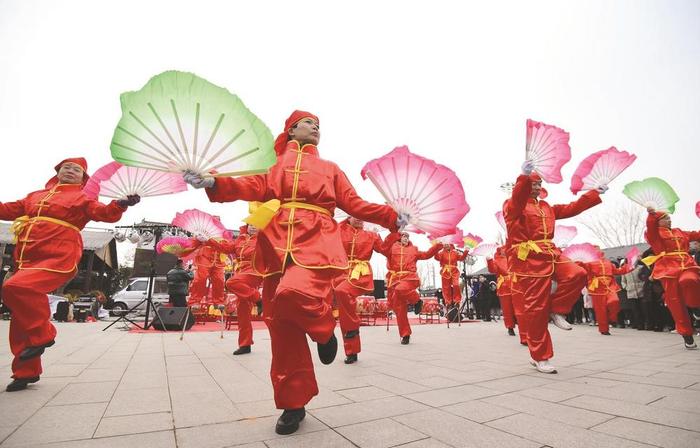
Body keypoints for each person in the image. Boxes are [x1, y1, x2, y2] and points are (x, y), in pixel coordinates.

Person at [183, 110, 402, 435]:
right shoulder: (274, 167)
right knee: (280, 327)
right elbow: (251, 185)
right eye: (308, 123)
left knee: (294, 293)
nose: (315, 128)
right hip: (274, 247)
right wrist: (215, 181)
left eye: (318, 125)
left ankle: (325, 330)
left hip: (316, 240)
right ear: (291, 130)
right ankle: (292, 403)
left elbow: (354, 204)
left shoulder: (330, 169)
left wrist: (391, 216)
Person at [0, 158, 139, 392]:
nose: (71, 171)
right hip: (27, 257)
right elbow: (6, 210)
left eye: (77, 170)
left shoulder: (83, 197)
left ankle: (44, 333)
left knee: (15, 287)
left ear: (84, 177)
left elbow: (105, 213)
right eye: (67, 167)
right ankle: (25, 372)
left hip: (57, 254)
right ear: (57, 171)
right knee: (20, 319)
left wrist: (120, 203)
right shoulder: (34, 196)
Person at [503, 161, 604, 374]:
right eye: (534, 183)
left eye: (539, 183)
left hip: (551, 253)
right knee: (536, 311)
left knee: (578, 273)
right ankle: (540, 356)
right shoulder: (512, 206)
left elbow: (572, 208)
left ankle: (557, 310)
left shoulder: (547, 207)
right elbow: (517, 201)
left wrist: (594, 193)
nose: (538, 187)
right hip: (529, 260)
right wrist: (523, 176)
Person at [643, 209, 700, 349]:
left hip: (686, 265)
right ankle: (687, 336)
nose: (669, 220)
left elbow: (697, 234)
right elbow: (650, 228)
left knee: (690, 280)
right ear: (658, 221)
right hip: (667, 269)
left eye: (669, 218)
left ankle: (695, 308)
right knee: (675, 303)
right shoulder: (654, 234)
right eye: (666, 218)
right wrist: (651, 214)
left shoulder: (679, 231)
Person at [331, 217, 384, 364]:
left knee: (342, 291)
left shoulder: (370, 234)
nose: (359, 219)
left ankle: (352, 326)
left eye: (362, 217)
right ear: (349, 216)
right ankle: (351, 351)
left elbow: (385, 250)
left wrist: (394, 231)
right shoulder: (339, 230)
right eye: (356, 215)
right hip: (341, 272)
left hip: (360, 274)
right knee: (342, 311)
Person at [207, 223, 262, 355]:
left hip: (254, 272)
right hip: (241, 274)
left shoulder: (263, 238)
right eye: (251, 225)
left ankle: (259, 300)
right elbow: (225, 247)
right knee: (242, 311)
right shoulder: (240, 239)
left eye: (257, 224)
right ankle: (245, 344)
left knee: (230, 282)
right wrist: (208, 240)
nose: (253, 227)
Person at [579, 249, 632, 335]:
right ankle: (604, 329)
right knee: (600, 310)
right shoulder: (589, 263)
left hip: (610, 286)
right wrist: (578, 261)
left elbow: (618, 271)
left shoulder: (608, 263)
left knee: (614, 301)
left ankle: (612, 319)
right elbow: (582, 269)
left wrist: (629, 266)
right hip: (597, 287)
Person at [487, 246, 526, 343]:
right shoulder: (496, 261)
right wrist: (489, 260)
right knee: (507, 308)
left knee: (520, 308)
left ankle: (523, 328)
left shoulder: (513, 258)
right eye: (502, 250)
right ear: (500, 251)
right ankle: (510, 327)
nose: (504, 251)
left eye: (505, 249)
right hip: (504, 287)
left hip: (516, 285)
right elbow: (492, 270)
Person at [434, 244, 468, 309]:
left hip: (454, 271)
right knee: (446, 288)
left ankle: (457, 301)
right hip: (445, 271)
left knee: (456, 285)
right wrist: (435, 250)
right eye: (445, 244)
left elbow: (462, 258)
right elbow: (437, 258)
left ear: (450, 244)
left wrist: (466, 251)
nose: (446, 245)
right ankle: (448, 302)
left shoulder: (455, 253)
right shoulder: (441, 253)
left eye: (448, 244)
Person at [622, 259, 646, 330]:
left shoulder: (640, 268)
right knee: (635, 310)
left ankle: (646, 323)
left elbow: (644, 278)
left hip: (641, 291)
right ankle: (639, 325)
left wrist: (643, 286)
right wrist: (626, 287)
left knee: (643, 309)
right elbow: (623, 281)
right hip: (631, 292)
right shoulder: (625, 270)